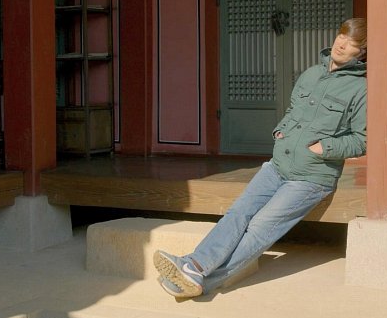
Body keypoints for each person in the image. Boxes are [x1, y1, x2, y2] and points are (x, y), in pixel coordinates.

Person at [153, 17, 368, 298]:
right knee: (238, 213)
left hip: (311, 177)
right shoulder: (311, 74)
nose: (342, 44)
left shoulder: (360, 89)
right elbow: (293, 110)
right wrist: (281, 130)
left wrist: (323, 148)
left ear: (361, 51)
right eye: (342, 36)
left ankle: (200, 279)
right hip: (277, 166)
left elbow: (362, 140)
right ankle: (194, 266)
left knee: (260, 227)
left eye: (351, 42)